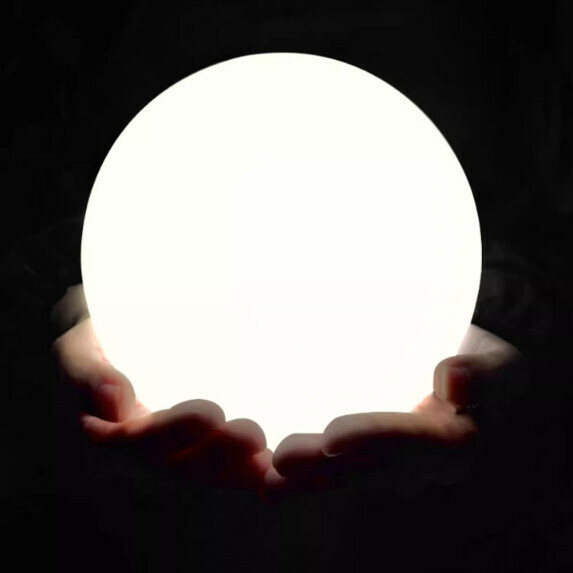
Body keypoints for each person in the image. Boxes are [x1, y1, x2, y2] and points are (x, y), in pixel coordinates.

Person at [4, 1, 573, 570]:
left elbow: (535, 216)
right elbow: (60, 182)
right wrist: (49, 309)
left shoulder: (503, 60)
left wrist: (521, 329)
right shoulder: (104, 60)